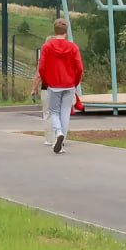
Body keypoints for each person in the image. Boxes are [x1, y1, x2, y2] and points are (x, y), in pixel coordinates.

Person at [38, 19, 84, 154]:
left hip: (53, 84)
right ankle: (62, 142)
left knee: (54, 111)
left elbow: (42, 67)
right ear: (66, 31)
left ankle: (58, 133)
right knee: (65, 113)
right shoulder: (73, 47)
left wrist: (46, 81)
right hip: (69, 84)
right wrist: (75, 82)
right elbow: (79, 68)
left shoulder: (46, 47)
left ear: (54, 30)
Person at [30, 35, 55, 145]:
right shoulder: (62, 57)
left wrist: (34, 89)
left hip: (47, 87)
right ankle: (60, 136)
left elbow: (38, 75)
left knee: (47, 113)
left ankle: (49, 139)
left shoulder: (44, 58)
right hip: (61, 87)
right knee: (59, 113)